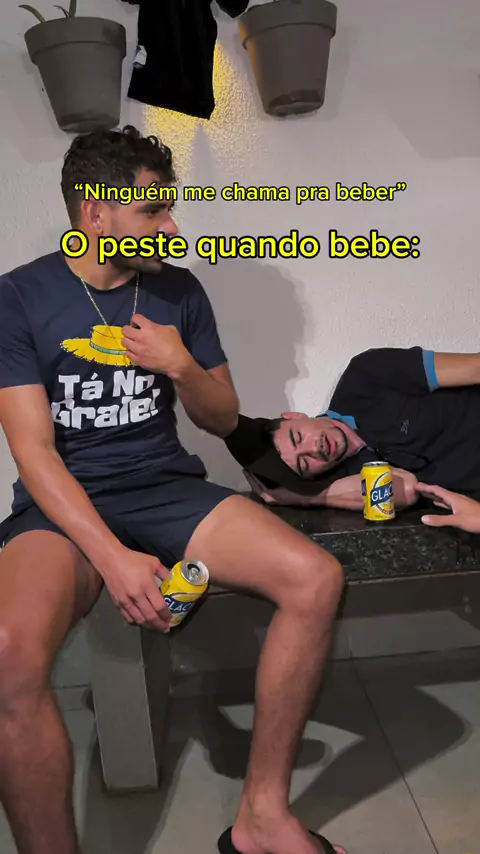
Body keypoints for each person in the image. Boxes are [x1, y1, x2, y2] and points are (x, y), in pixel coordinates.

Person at [0, 126, 347, 854]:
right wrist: (114, 559)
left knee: (316, 579)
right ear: (96, 212)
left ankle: (261, 818)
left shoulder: (179, 290)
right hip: (62, 504)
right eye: (153, 208)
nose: (172, 226)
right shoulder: (18, 297)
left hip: (163, 485)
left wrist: (181, 365)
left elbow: (222, 418)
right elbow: (33, 452)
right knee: (6, 653)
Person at [223, 345, 480, 510]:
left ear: (294, 416)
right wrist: (305, 497)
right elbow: (408, 490)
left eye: (298, 437)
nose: (314, 449)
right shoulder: (348, 481)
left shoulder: (366, 377)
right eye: (304, 463)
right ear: (310, 478)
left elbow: (476, 368)